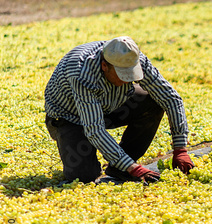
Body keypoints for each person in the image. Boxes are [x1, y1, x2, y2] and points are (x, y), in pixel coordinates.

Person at [44, 36, 194, 183]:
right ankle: (124, 165)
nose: (128, 80)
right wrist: (133, 168)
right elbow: (94, 129)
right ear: (105, 66)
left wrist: (180, 148)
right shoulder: (81, 73)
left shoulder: (133, 58)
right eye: (122, 75)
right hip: (70, 116)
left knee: (153, 100)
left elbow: (170, 98)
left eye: (131, 74)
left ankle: (120, 168)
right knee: (84, 176)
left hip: (110, 104)